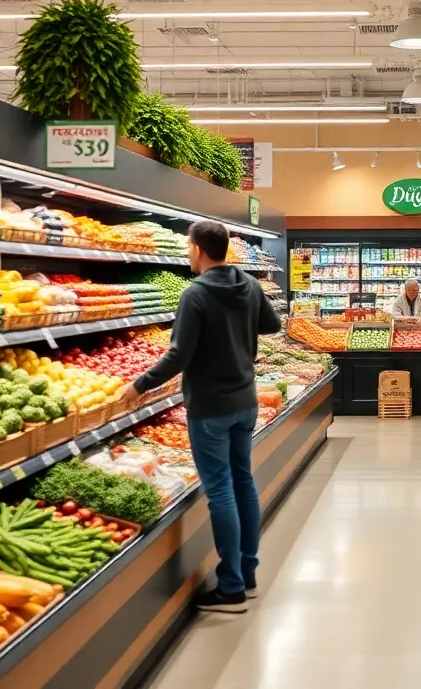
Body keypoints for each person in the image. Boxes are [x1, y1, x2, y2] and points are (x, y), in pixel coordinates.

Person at [124, 220, 281, 613]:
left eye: (188, 247)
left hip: (210, 406)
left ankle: (230, 588)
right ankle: (247, 574)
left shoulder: (195, 294)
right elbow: (272, 325)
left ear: (196, 249)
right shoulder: (249, 285)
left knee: (222, 490)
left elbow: (179, 354)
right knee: (243, 482)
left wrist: (139, 385)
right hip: (245, 401)